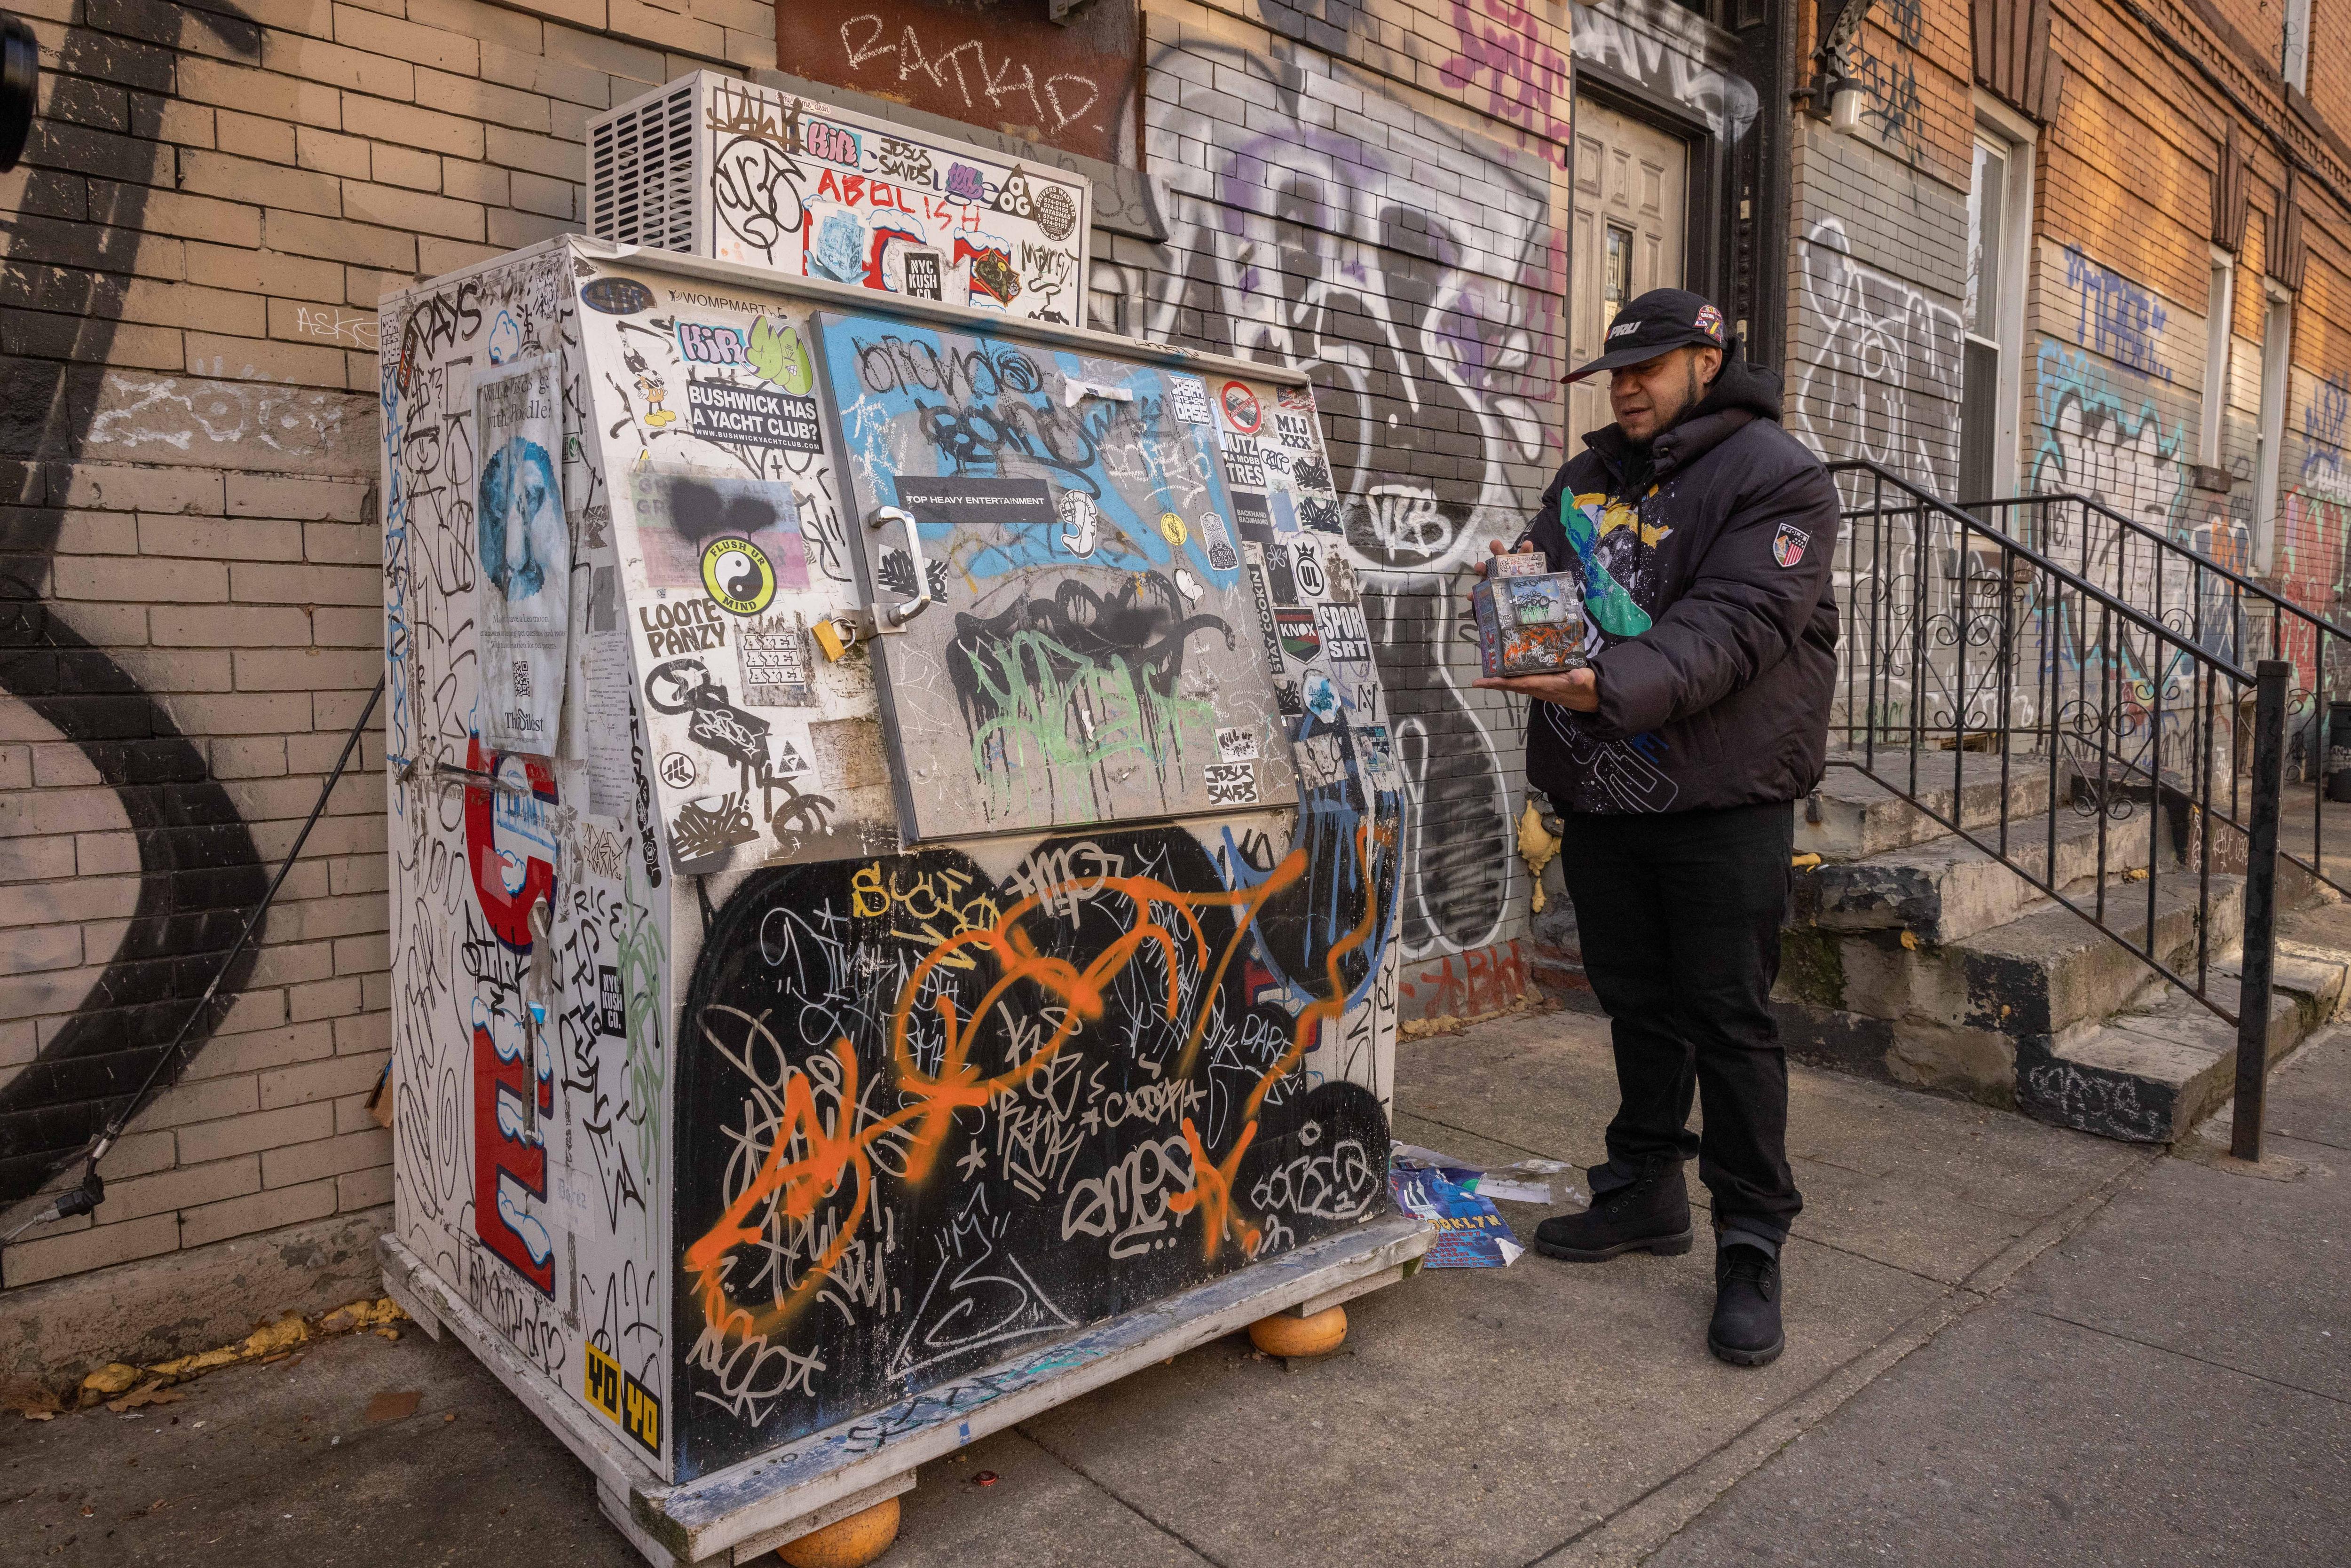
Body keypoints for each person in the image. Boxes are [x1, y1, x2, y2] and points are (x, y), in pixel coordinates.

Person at [1471, 288, 1840, 1368]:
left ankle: (1751, 1241)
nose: (1624, 391)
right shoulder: (1585, 478)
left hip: (1724, 794)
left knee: (1726, 1017)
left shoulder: (1778, 476)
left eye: (1646, 369)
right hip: (1604, 789)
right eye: (1614, 374)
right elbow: (1543, 585)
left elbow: (1737, 624)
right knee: (1635, 1002)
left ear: (1706, 361)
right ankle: (1643, 1190)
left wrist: (1602, 685)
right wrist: (1509, 593)